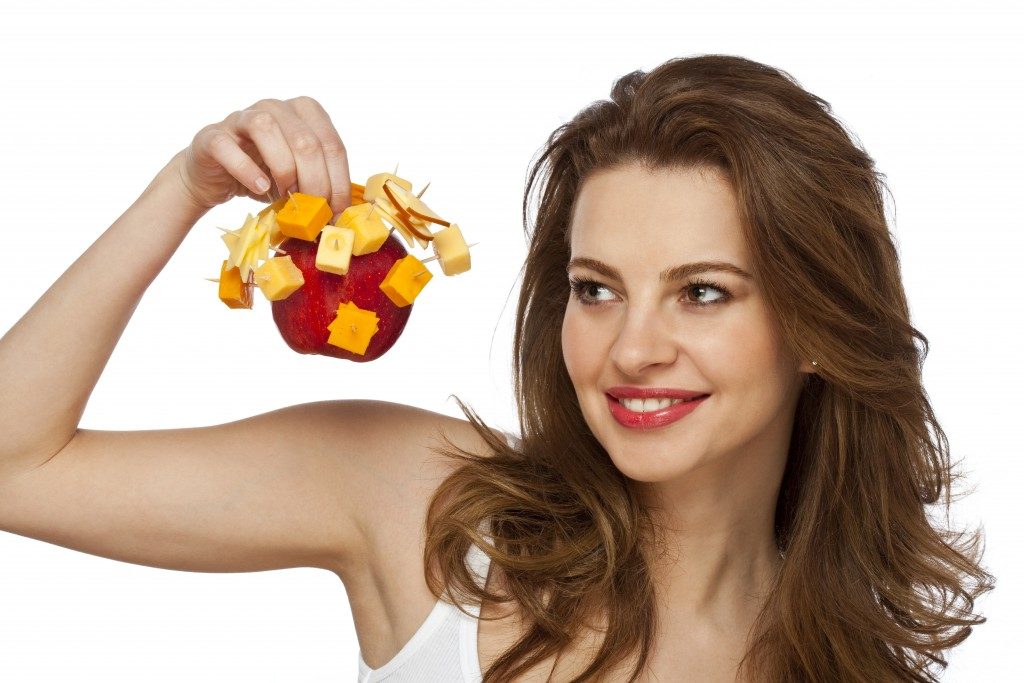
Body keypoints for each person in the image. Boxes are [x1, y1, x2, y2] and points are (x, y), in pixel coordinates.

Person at [0, 54, 994, 682]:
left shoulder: (856, 669)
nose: (631, 347)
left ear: (817, 327)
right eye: (597, 288)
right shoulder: (431, 511)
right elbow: (15, 464)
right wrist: (185, 187)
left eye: (701, 291)